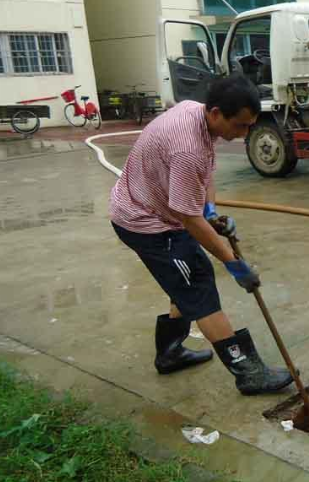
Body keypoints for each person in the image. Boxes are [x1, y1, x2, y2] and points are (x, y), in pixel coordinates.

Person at [109, 74, 293, 395]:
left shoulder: (197, 114)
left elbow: (205, 174)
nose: (244, 133)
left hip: (162, 211)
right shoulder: (187, 148)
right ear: (217, 113)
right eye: (240, 126)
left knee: (185, 278)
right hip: (146, 222)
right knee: (197, 286)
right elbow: (187, 217)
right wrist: (234, 263)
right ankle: (247, 372)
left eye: (250, 125)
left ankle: (170, 353)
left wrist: (211, 211)